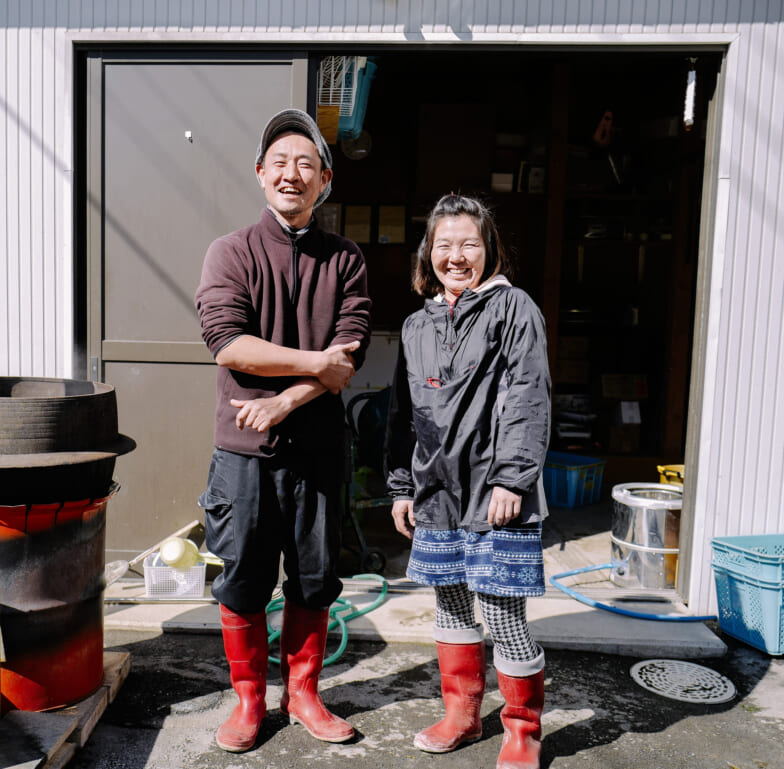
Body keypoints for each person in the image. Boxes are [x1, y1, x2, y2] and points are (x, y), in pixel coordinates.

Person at [194, 108, 372, 753]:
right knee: (242, 577)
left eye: (306, 164)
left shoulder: (344, 259)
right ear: (261, 174)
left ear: (324, 179)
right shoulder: (231, 252)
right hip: (242, 453)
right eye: (280, 163)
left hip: (319, 449)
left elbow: (346, 359)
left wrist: (283, 403)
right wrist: (311, 368)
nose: (292, 175)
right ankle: (248, 700)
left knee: (315, 577)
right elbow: (229, 345)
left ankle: (303, 695)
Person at [384, 194, 551, 769]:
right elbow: (402, 413)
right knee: (452, 606)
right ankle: (460, 713)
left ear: (489, 249)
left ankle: (522, 731)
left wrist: (513, 478)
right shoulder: (416, 323)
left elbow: (529, 396)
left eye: (469, 245)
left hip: (496, 490)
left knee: (503, 614)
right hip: (436, 490)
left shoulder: (515, 309)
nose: (456, 257)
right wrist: (402, 485)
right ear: (428, 253)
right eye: (444, 245)